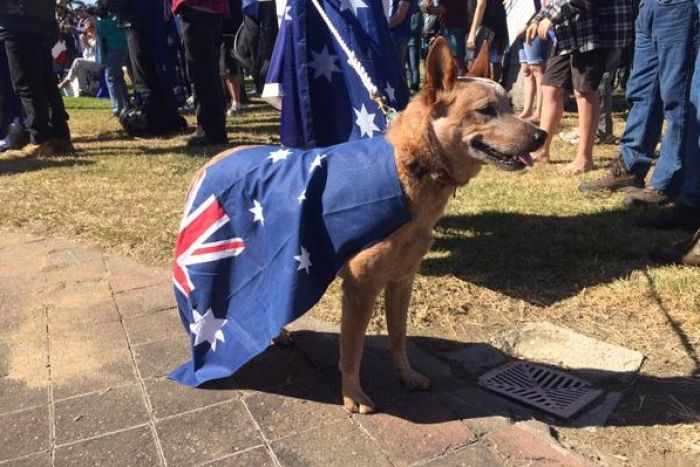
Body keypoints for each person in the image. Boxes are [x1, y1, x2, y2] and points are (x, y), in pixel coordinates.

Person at [579, 0, 699, 209]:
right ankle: (630, 167)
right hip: (648, 7)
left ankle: (669, 181)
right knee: (641, 91)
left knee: (676, 97)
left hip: (679, 6)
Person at [525, 0, 634, 175]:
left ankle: (584, 158)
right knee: (550, 87)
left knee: (583, 91)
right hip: (566, 31)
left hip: (593, 30)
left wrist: (551, 17)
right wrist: (536, 19)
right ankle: (541, 150)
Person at [0, 0, 73, 158]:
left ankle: (40, 139)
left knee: (25, 82)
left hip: (18, 19)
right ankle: (60, 135)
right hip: (42, 21)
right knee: (46, 82)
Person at [172, 0, 230, 147]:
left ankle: (210, 131)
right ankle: (209, 128)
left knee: (202, 73)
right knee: (206, 72)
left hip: (198, 10)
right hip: (205, 12)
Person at [96, 3, 129, 116]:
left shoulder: (108, 16)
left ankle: (118, 107)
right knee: (118, 76)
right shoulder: (119, 12)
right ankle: (126, 104)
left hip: (114, 48)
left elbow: (102, 32)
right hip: (122, 47)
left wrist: (100, 19)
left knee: (110, 77)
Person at [58, 19, 104, 96]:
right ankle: (83, 91)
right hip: (91, 64)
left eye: (91, 27)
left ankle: (66, 81)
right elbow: (86, 57)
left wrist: (89, 43)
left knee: (78, 61)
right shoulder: (86, 39)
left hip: (99, 63)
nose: (89, 29)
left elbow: (99, 52)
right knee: (80, 67)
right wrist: (86, 44)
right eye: (87, 28)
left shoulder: (98, 38)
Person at [424, 0, 469, 75]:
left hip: (456, 27)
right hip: (446, 28)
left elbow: (445, 8)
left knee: (457, 62)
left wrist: (430, 8)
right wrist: (428, 6)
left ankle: (460, 81)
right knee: (446, 61)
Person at [467, 0, 508, 81]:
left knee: (475, 66)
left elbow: (481, 4)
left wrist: (472, 33)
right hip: (499, 26)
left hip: (485, 28)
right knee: (496, 63)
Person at [221, 0, 243, 116]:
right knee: (223, 67)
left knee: (228, 66)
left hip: (229, 26)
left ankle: (236, 102)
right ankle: (230, 101)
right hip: (219, 25)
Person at [389, 0, 415, 90]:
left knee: (397, 68)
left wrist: (384, 27)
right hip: (391, 35)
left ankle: (402, 95)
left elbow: (400, 16)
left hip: (398, 35)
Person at [407, 8, 424, 91]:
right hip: (407, 43)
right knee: (409, 65)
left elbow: (416, 27)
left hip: (414, 43)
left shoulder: (418, 14)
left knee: (414, 65)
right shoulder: (409, 14)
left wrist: (405, 30)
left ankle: (415, 84)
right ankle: (411, 83)